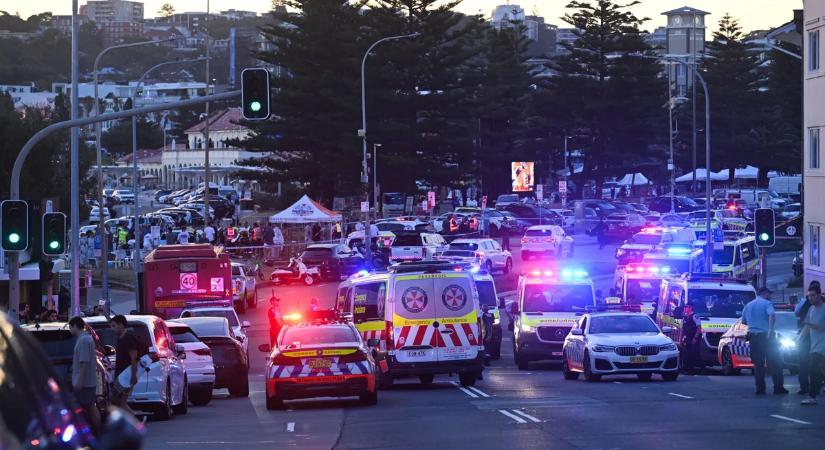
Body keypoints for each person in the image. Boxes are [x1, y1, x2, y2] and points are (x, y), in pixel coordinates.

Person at [742, 287, 787, 395]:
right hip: (766, 336)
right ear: (765, 294)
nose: (770, 296)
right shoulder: (767, 304)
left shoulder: (748, 305)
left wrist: (754, 324)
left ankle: (760, 388)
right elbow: (771, 314)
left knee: (758, 364)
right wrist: (770, 329)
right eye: (769, 294)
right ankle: (778, 388)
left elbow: (744, 321)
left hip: (753, 337)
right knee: (775, 362)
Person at [69, 316, 100, 432]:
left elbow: (84, 362)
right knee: (90, 406)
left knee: (85, 407)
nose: (70, 330)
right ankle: (96, 430)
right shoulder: (86, 339)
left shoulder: (83, 340)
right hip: (87, 381)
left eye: (70, 327)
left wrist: (79, 381)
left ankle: (94, 430)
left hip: (84, 382)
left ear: (76, 326)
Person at [109, 315, 144, 410]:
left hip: (126, 375)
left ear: (121, 325)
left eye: (113, 326)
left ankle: (135, 422)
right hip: (121, 375)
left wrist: (133, 375)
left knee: (121, 402)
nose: (112, 329)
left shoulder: (128, 338)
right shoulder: (120, 337)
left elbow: (134, 357)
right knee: (117, 401)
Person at [801, 283, 825, 405]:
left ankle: (812, 396)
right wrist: (799, 338)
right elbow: (807, 325)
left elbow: (815, 325)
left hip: (822, 346)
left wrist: (812, 326)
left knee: (814, 370)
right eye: (809, 296)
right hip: (814, 346)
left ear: (819, 295)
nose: (810, 298)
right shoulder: (811, 309)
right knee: (817, 370)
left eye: (813, 295)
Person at [795, 283, 817, 395]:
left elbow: (797, 313)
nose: (811, 297)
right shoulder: (817, 305)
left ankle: (804, 387)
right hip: (816, 337)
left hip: (806, 336)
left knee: (803, 363)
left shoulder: (804, 301)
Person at [681, 303, 703, 375]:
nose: (684, 308)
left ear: (690, 308)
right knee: (687, 354)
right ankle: (687, 369)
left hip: (693, 337)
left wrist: (695, 338)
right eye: (684, 307)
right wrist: (681, 339)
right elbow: (683, 329)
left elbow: (699, 328)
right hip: (687, 337)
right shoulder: (685, 317)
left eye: (686, 307)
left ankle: (698, 369)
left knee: (694, 354)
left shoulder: (695, 316)